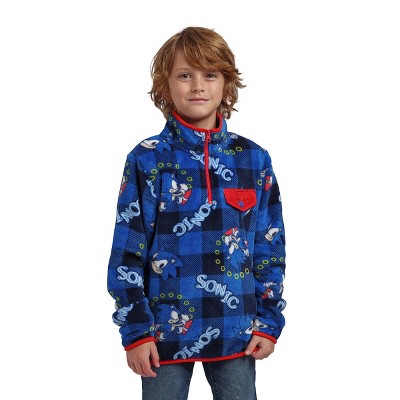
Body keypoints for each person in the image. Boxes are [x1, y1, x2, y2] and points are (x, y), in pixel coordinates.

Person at [107, 26, 286, 400]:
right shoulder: (146, 159)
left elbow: (269, 248)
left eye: (210, 74)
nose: (198, 86)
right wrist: (135, 332)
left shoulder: (254, 159)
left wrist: (268, 321)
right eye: (185, 75)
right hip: (162, 335)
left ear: (227, 83)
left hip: (237, 330)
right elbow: (127, 253)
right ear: (165, 84)